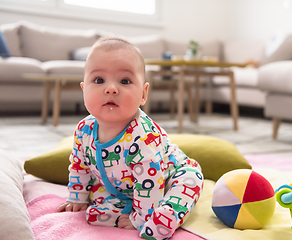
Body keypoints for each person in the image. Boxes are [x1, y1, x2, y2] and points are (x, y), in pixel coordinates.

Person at [56, 37, 204, 240]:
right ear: (84, 90)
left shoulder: (142, 137)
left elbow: (149, 182)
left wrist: (142, 218)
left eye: (124, 81)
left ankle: (165, 216)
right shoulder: (84, 130)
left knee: (190, 181)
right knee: (94, 210)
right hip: (122, 188)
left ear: (143, 94)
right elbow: (79, 166)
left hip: (168, 177)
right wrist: (78, 196)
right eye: (99, 80)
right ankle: (125, 210)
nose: (111, 89)